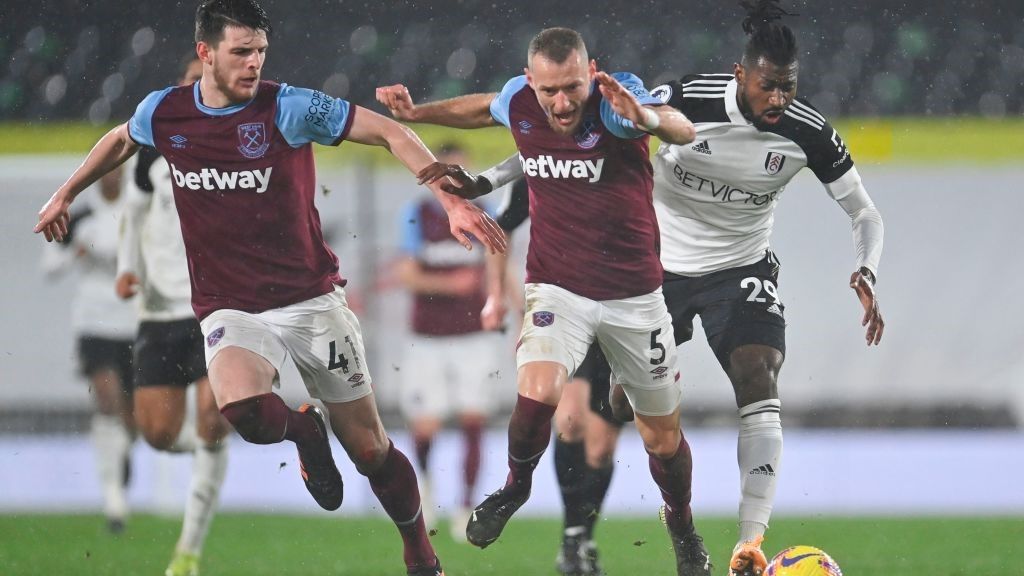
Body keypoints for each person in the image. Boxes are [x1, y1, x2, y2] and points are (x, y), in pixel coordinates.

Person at [35, 1, 506, 574]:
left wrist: (449, 198)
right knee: (244, 412)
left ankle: (419, 549)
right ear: (205, 53)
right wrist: (66, 193)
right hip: (230, 306)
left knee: (369, 450)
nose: (254, 63)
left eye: (259, 51)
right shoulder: (165, 111)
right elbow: (120, 138)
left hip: (310, 301)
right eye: (240, 52)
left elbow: (388, 130)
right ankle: (305, 432)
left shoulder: (288, 106)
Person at [431, 3, 887, 575]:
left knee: (758, 374)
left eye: (789, 87)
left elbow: (864, 213)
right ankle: (573, 527)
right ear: (741, 74)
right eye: (769, 86)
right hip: (651, 272)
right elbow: (562, 144)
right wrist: (495, 180)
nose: (779, 99)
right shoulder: (689, 95)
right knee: (604, 417)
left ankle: (748, 541)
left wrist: (865, 270)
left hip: (740, 270)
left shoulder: (809, 131)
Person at [378, 27, 714, 575]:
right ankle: (514, 488)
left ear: (592, 72)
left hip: (635, 296)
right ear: (530, 82)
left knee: (662, 438)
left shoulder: (614, 100)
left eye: (573, 88)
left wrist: (647, 117)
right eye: (549, 90)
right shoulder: (520, 100)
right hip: (559, 286)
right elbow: (484, 107)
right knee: (538, 393)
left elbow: (683, 128)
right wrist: (417, 114)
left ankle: (681, 524)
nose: (562, 102)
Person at [114, 54, 230, 576]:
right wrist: (125, 268)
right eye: (189, 83)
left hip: (218, 305)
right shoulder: (150, 154)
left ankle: (189, 550)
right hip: (159, 311)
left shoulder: (236, 150)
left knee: (213, 417)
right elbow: (130, 216)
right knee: (158, 433)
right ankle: (210, 447)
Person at [491, 179, 622, 576]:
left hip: (621, 316)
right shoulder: (537, 166)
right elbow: (499, 228)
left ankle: (582, 535)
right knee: (569, 420)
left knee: (600, 447)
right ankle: (573, 537)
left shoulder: (621, 159)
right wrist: (500, 296)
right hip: (566, 312)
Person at [393, 142, 503, 541]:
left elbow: (498, 269)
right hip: (427, 337)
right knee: (425, 425)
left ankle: (466, 506)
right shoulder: (416, 216)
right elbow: (406, 274)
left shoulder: (484, 216)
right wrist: (450, 284)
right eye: (448, 176)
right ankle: (425, 488)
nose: (456, 183)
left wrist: (513, 311)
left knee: (475, 418)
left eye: (462, 174)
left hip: (475, 336)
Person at [41, 168, 137, 534]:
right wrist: (73, 254)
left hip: (134, 323)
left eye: (117, 173)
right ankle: (114, 500)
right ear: (98, 179)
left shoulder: (138, 211)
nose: (111, 179)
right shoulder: (80, 216)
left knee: (133, 419)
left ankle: (123, 451)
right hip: (95, 323)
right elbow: (49, 265)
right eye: (106, 174)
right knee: (107, 400)